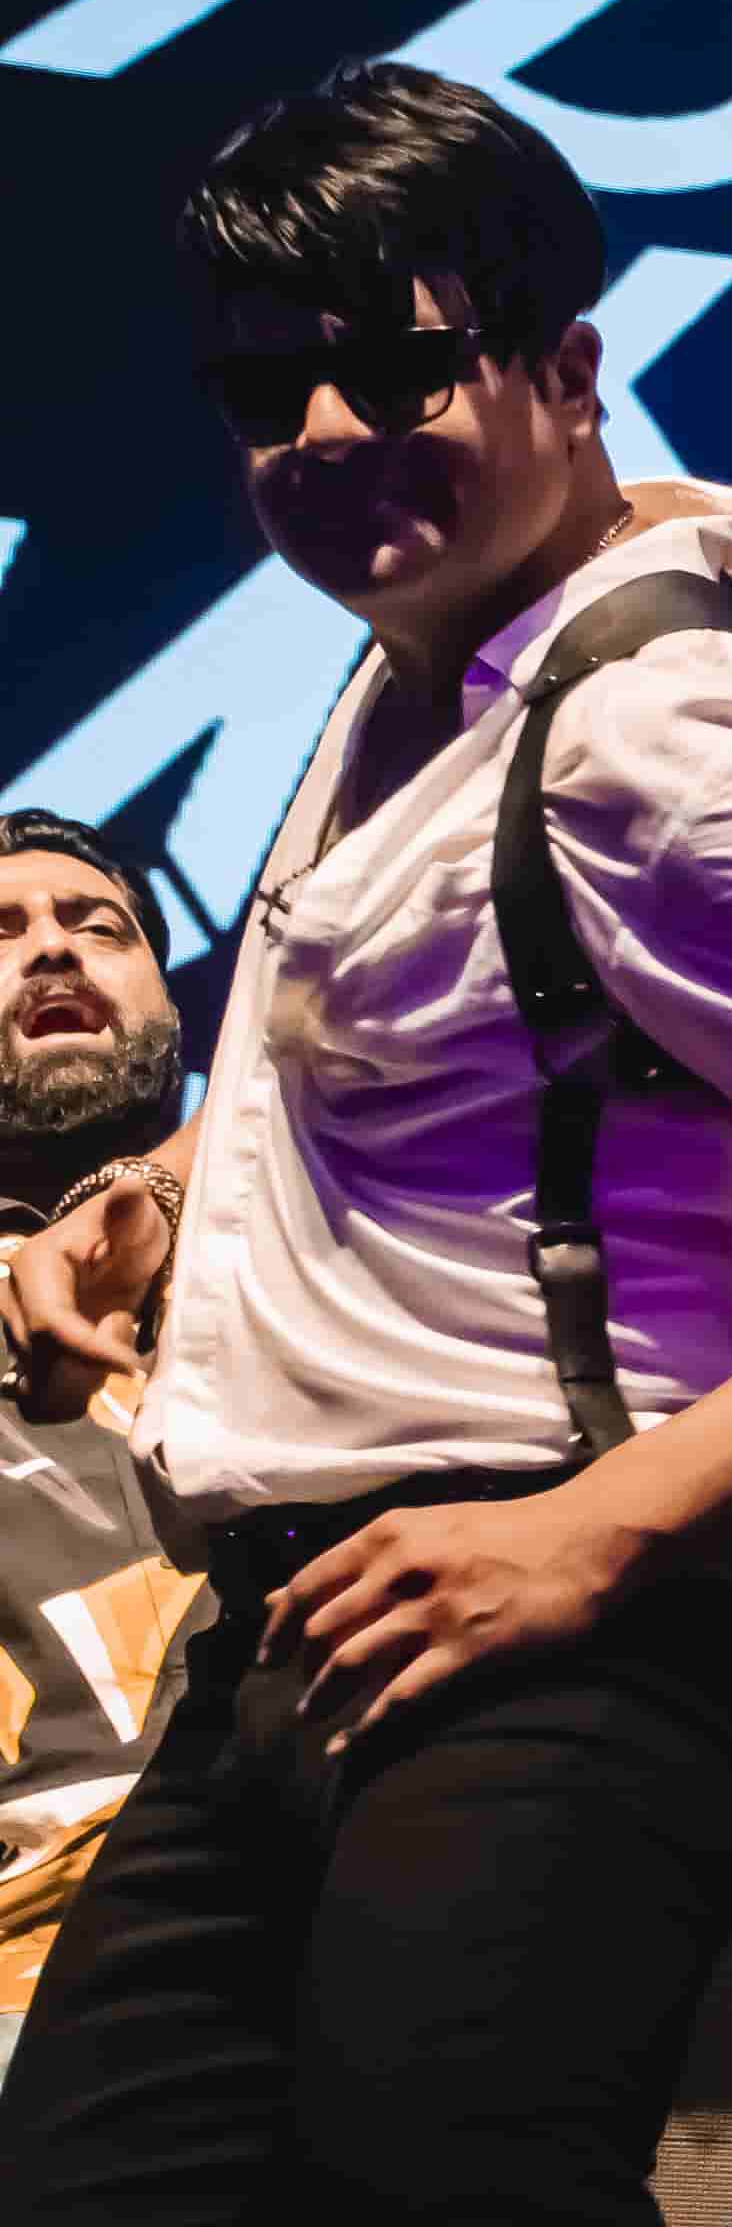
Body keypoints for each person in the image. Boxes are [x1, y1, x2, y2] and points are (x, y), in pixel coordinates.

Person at [0, 61, 732, 2221]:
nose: (328, 432)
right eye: (271, 393)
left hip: (565, 1605)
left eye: (400, 366)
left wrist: (594, 1534)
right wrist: (144, 1201)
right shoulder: (420, 667)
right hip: (308, 1616)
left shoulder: (673, 726)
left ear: (570, 367)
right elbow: (390, 1064)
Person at [0, 815, 204, 2092]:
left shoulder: (307, 1250)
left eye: (99, 926)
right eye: (1, 932)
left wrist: (168, 1186)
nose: (52, 950)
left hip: (333, 1927)